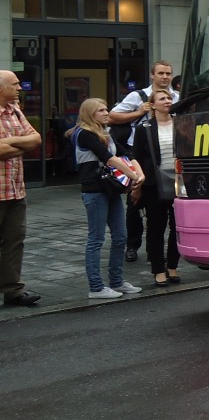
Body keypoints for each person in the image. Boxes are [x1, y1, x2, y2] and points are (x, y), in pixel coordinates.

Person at [74, 98, 145, 299]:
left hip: (111, 190)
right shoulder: (85, 134)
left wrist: (140, 175)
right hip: (95, 191)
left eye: (106, 109)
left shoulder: (106, 134)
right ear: (90, 114)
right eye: (101, 110)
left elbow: (127, 155)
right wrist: (134, 177)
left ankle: (117, 282)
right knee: (96, 239)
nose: (107, 113)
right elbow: (110, 159)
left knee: (120, 237)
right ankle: (96, 287)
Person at [108, 61, 177, 263]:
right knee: (135, 203)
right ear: (152, 75)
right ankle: (133, 244)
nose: (165, 77)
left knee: (170, 212)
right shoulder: (137, 96)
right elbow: (112, 116)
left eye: (169, 73)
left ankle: (169, 258)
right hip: (139, 153)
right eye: (161, 73)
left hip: (167, 156)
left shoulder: (176, 98)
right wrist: (139, 113)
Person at [0, 70, 42, 307]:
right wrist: (19, 145)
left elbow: (35, 140)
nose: (20, 88)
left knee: (15, 241)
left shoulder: (15, 110)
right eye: (15, 84)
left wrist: (9, 144)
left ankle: (12, 290)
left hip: (16, 190)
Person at [131, 90, 179, 288]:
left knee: (178, 227)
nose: (167, 101)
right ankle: (159, 269)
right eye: (162, 99)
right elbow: (136, 156)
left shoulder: (180, 122)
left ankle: (173, 266)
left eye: (169, 98)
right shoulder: (145, 128)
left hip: (178, 182)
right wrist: (138, 183)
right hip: (154, 184)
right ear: (153, 105)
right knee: (156, 227)